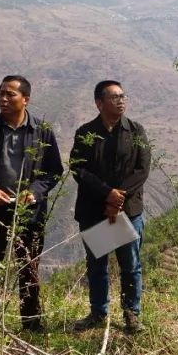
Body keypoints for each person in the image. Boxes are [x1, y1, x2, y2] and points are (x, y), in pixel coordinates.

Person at [0, 75, 63, 332]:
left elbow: (53, 171)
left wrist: (34, 193)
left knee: (29, 268)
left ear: (26, 100)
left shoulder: (42, 131)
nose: (3, 99)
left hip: (29, 213)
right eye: (1, 94)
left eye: (10, 94)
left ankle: (31, 324)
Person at [70, 80, 151, 334]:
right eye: (114, 97)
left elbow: (142, 169)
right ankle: (98, 312)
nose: (121, 100)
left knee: (130, 265)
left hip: (127, 211)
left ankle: (131, 314)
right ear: (99, 103)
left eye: (122, 96)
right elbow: (78, 168)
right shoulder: (86, 133)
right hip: (95, 210)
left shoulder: (136, 131)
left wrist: (119, 199)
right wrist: (107, 194)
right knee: (97, 265)